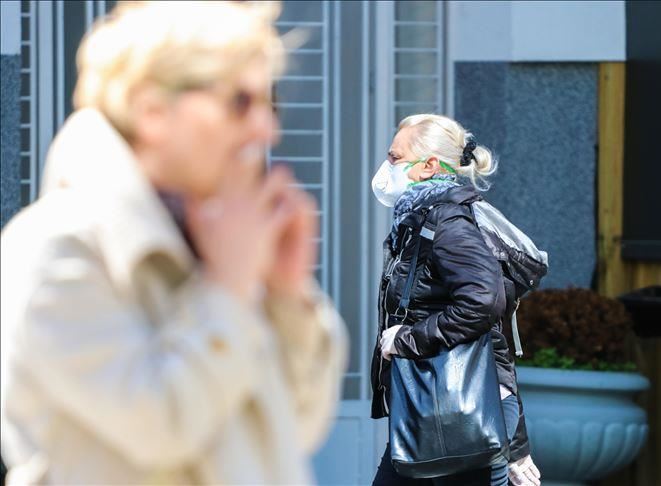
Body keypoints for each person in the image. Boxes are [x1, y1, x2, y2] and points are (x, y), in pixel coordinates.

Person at [0, 2, 347, 484]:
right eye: (240, 102)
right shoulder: (56, 246)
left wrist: (288, 297)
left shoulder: (214, 239)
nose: (267, 130)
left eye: (271, 103)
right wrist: (229, 291)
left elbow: (297, 427)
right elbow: (158, 426)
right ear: (153, 111)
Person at [369, 114, 546, 486]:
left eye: (395, 157)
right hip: (431, 403)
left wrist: (407, 339)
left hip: (462, 408)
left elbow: (482, 302)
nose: (387, 166)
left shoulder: (449, 224)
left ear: (429, 165)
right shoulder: (418, 222)